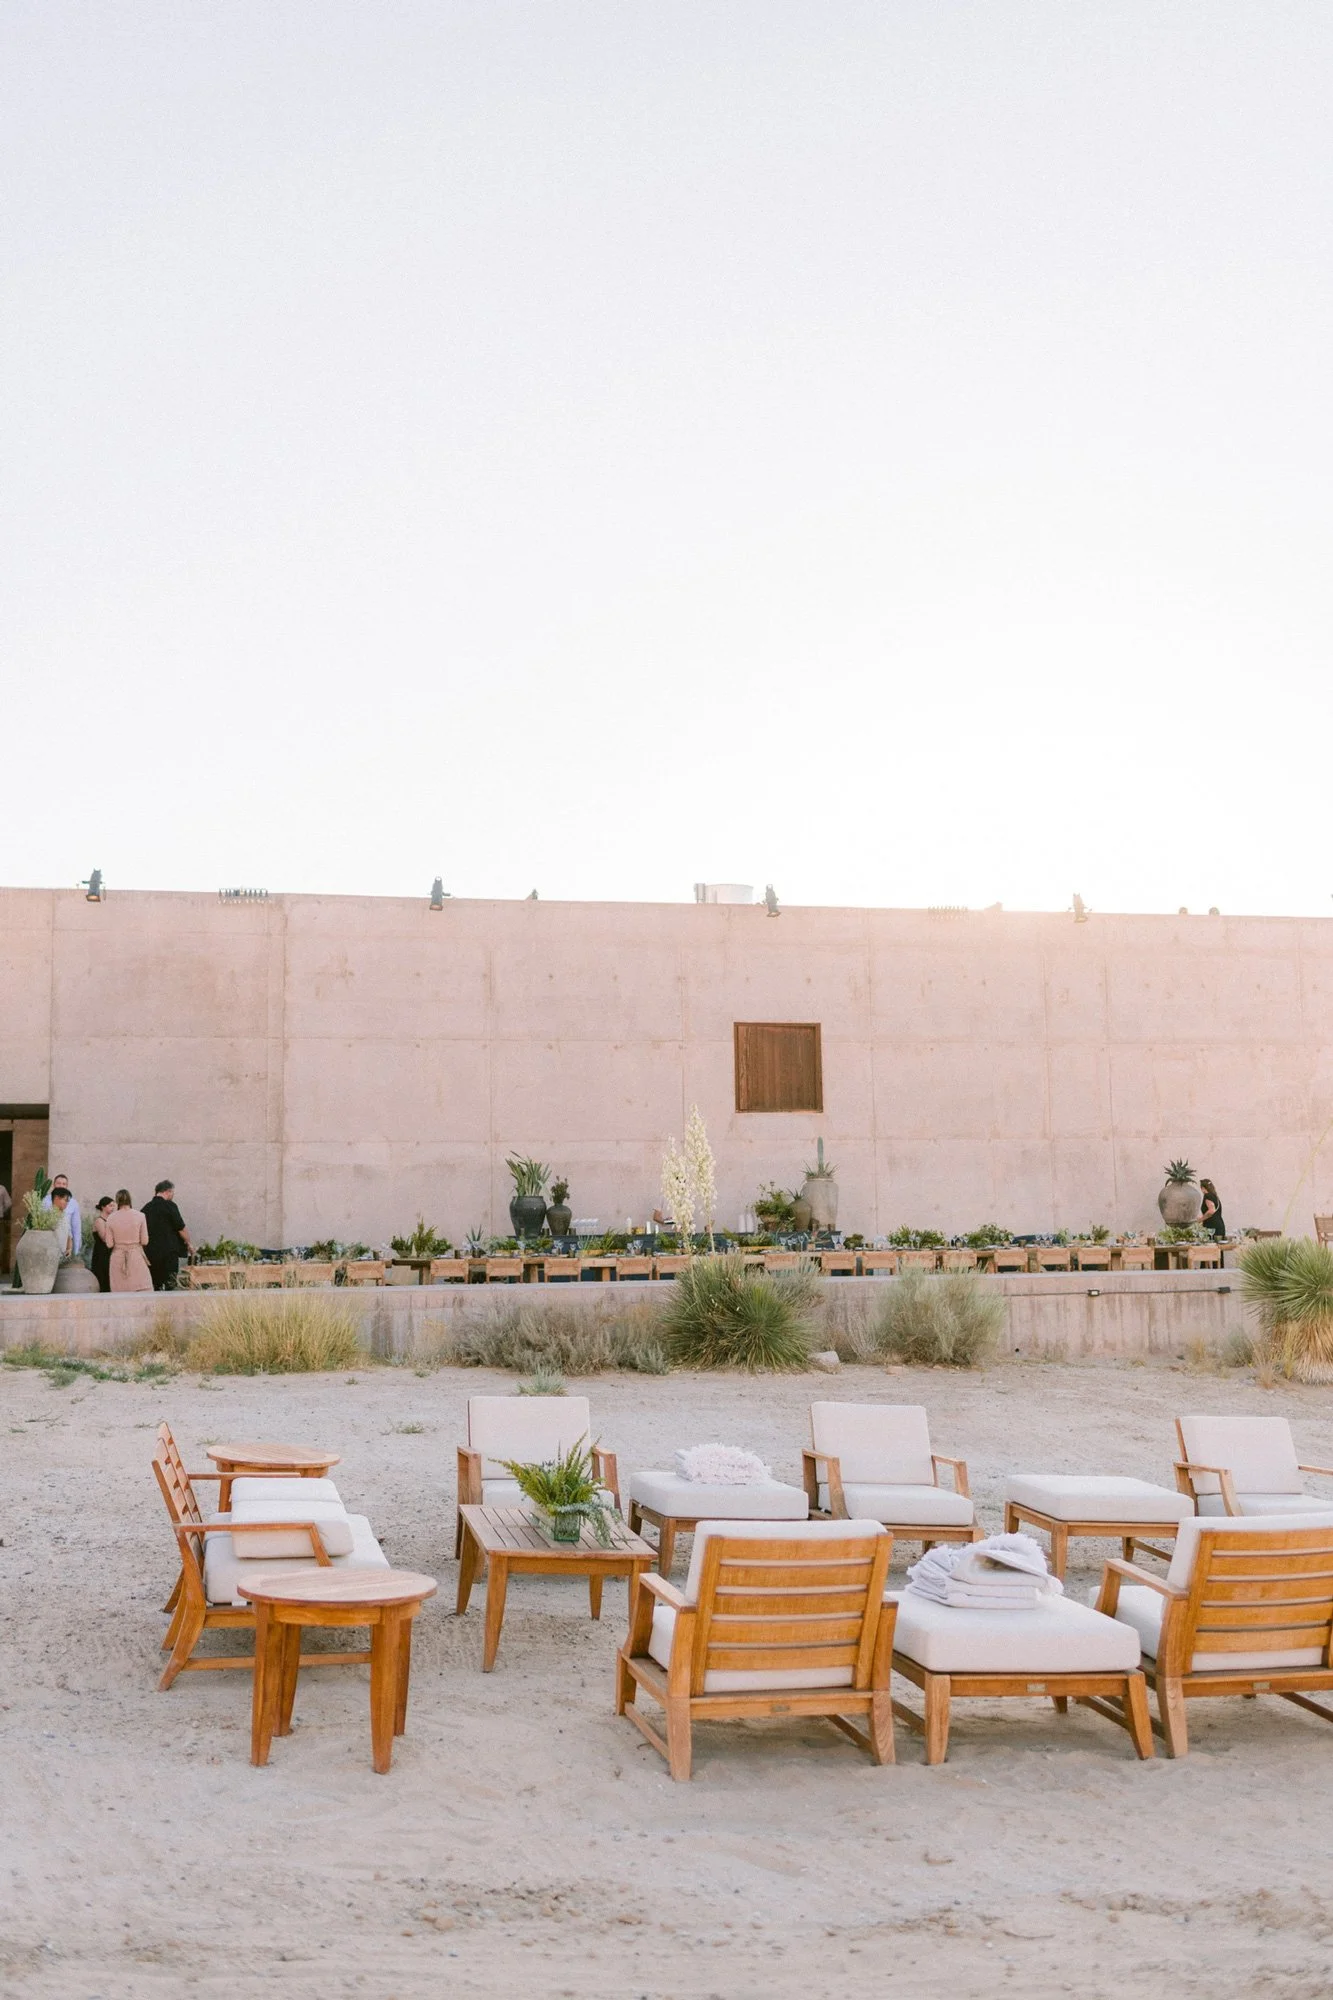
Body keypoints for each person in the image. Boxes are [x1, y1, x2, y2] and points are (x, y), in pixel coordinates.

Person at [143, 1179, 191, 1291]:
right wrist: (188, 1243)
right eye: (172, 1192)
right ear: (167, 1191)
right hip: (169, 1252)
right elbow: (180, 1228)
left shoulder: (146, 1208)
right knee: (171, 1283)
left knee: (155, 1284)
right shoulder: (170, 1206)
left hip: (151, 1252)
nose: (172, 1195)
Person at [104, 1190, 152, 1292]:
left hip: (118, 1257)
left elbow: (109, 1244)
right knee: (141, 1288)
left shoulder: (111, 1218)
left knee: (120, 1291)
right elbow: (145, 1241)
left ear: (117, 1201)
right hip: (136, 1256)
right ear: (130, 1199)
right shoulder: (140, 1216)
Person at [42, 1173, 81, 1258]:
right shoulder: (45, 1201)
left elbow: (75, 1227)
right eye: (58, 1183)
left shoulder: (73, 1203)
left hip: (64, 1243)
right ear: (53, 1185)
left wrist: (75, 1250)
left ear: (67, 1186)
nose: (61, 1186)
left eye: (64, 1184)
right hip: (49, 1246)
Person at [90, 1195, 114, 1293]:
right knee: (102, 1276)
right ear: (103, 1207)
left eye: (113, 1206)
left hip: (109, 1252)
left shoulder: (110, 1220)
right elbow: (104, 1238)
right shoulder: (99, 1221)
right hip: (101, 1253)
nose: (112, 1208)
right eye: (110, 1205)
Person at [49, 1184, 76, 1261]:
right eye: (65, 1200)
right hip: (50, 1256)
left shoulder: (65, 1216)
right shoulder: (48, 1216)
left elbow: (69, 1235)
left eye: (68, 1201)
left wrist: (69, 1249)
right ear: (56, 1198)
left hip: (61, 1257)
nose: (67, 1203)